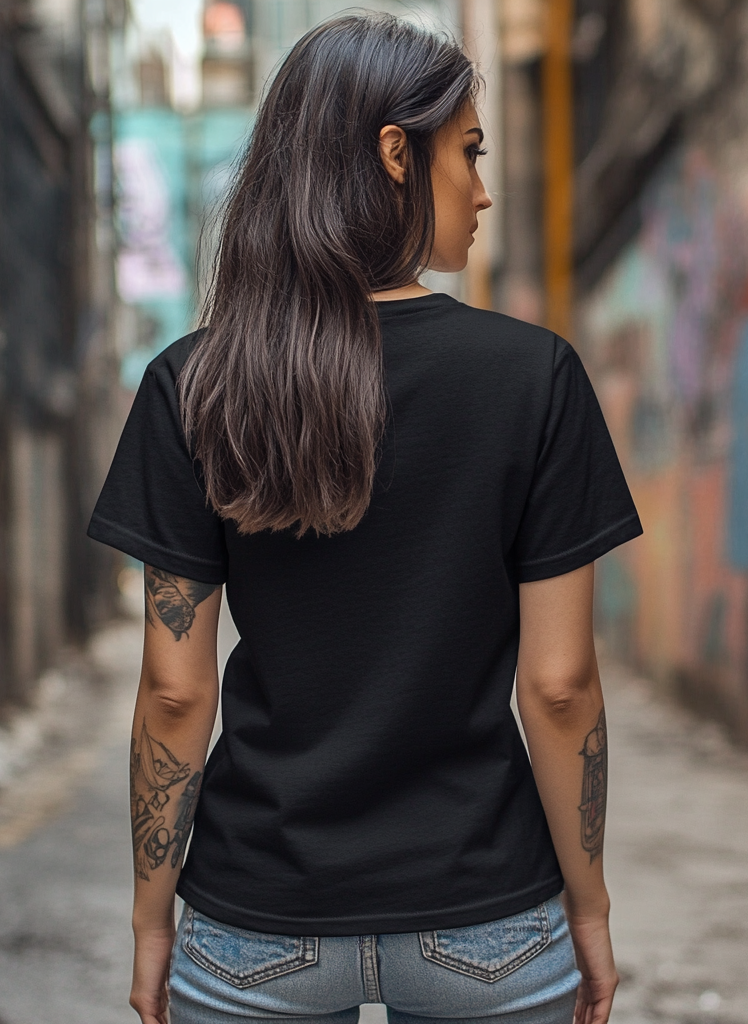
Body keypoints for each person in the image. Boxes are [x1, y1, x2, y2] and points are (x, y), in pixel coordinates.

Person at [88, 13, 642, 1024]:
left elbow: (176, 694)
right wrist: (590, 905)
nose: (483, 187)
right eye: (468, 151)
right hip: (489, 913)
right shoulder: (536, 379)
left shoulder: (193, 386)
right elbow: (558, 686)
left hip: (259, 913)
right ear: (396, 151)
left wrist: (151, 919)